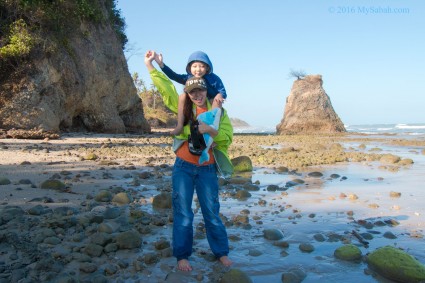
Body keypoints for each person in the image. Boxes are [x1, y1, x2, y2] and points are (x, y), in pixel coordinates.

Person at [145, 50, 234, 272]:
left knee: (211, 212)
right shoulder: (183, 106)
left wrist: (211, 131)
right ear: (188, 91)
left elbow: (227, 137)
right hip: (183, 167)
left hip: (207, 169)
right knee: (183, 212)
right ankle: (182, 255)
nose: (197, 95)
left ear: (206, 89)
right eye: (192, 91)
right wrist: (151, 66)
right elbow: (165, 87)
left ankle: (221, 253)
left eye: (200, 90)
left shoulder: (219, 111)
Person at [154, 51, 227, 136]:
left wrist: (219, 95)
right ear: (189, 68)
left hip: (211, 100)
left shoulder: (213, 78)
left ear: (207, 67)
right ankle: (180, 126)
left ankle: (213, 130)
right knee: (182, 96)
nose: (198, 69)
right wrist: (161, 64)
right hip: (195, 100)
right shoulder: (188, 78)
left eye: (202, 66)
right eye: (194, 66)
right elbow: (174, 76)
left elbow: (222, 91)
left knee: (216, 101)